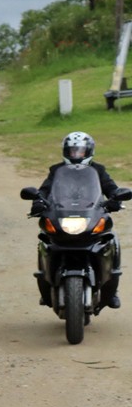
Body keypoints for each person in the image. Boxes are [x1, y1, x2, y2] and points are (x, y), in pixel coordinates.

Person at [30, 132, 123, 308]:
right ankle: (46, 278)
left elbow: (111, 188)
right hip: (63, 214)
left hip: (91, 213)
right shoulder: (56, 170)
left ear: (88, 152)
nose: (76, 155)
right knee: (44, 239)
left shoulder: (98, 170)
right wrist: (38, 201)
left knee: (112, 241)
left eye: (80, 152)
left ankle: (111, 291)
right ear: (66, 152)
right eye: (72, 151)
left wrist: (115, 199)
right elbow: (44, 190)